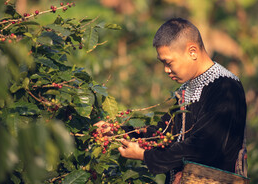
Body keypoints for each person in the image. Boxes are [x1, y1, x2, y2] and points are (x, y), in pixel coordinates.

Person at [96, 18, 247, 183]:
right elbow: (164, 134)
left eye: (168, 63)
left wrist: (146, 156)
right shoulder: (185, 89)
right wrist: (118, 132)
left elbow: (204, 146)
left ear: (192, 52)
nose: (166, 70)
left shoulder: (225, 86)